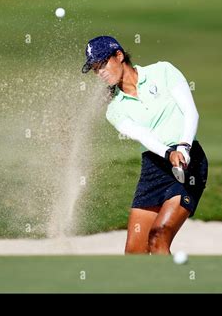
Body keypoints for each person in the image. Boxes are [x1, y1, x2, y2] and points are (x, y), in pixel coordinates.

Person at [82, 36, 208, 254]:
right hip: (154, 167)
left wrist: (183, 147)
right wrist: (169, 153)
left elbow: (191, 112)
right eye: (95, 69)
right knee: (134, 252)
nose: (100, 72)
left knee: (158, 238)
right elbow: (144, 136)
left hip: (189, 162)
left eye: (102, 64)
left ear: (119, 56)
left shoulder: (163, 71)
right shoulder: (115, 109)